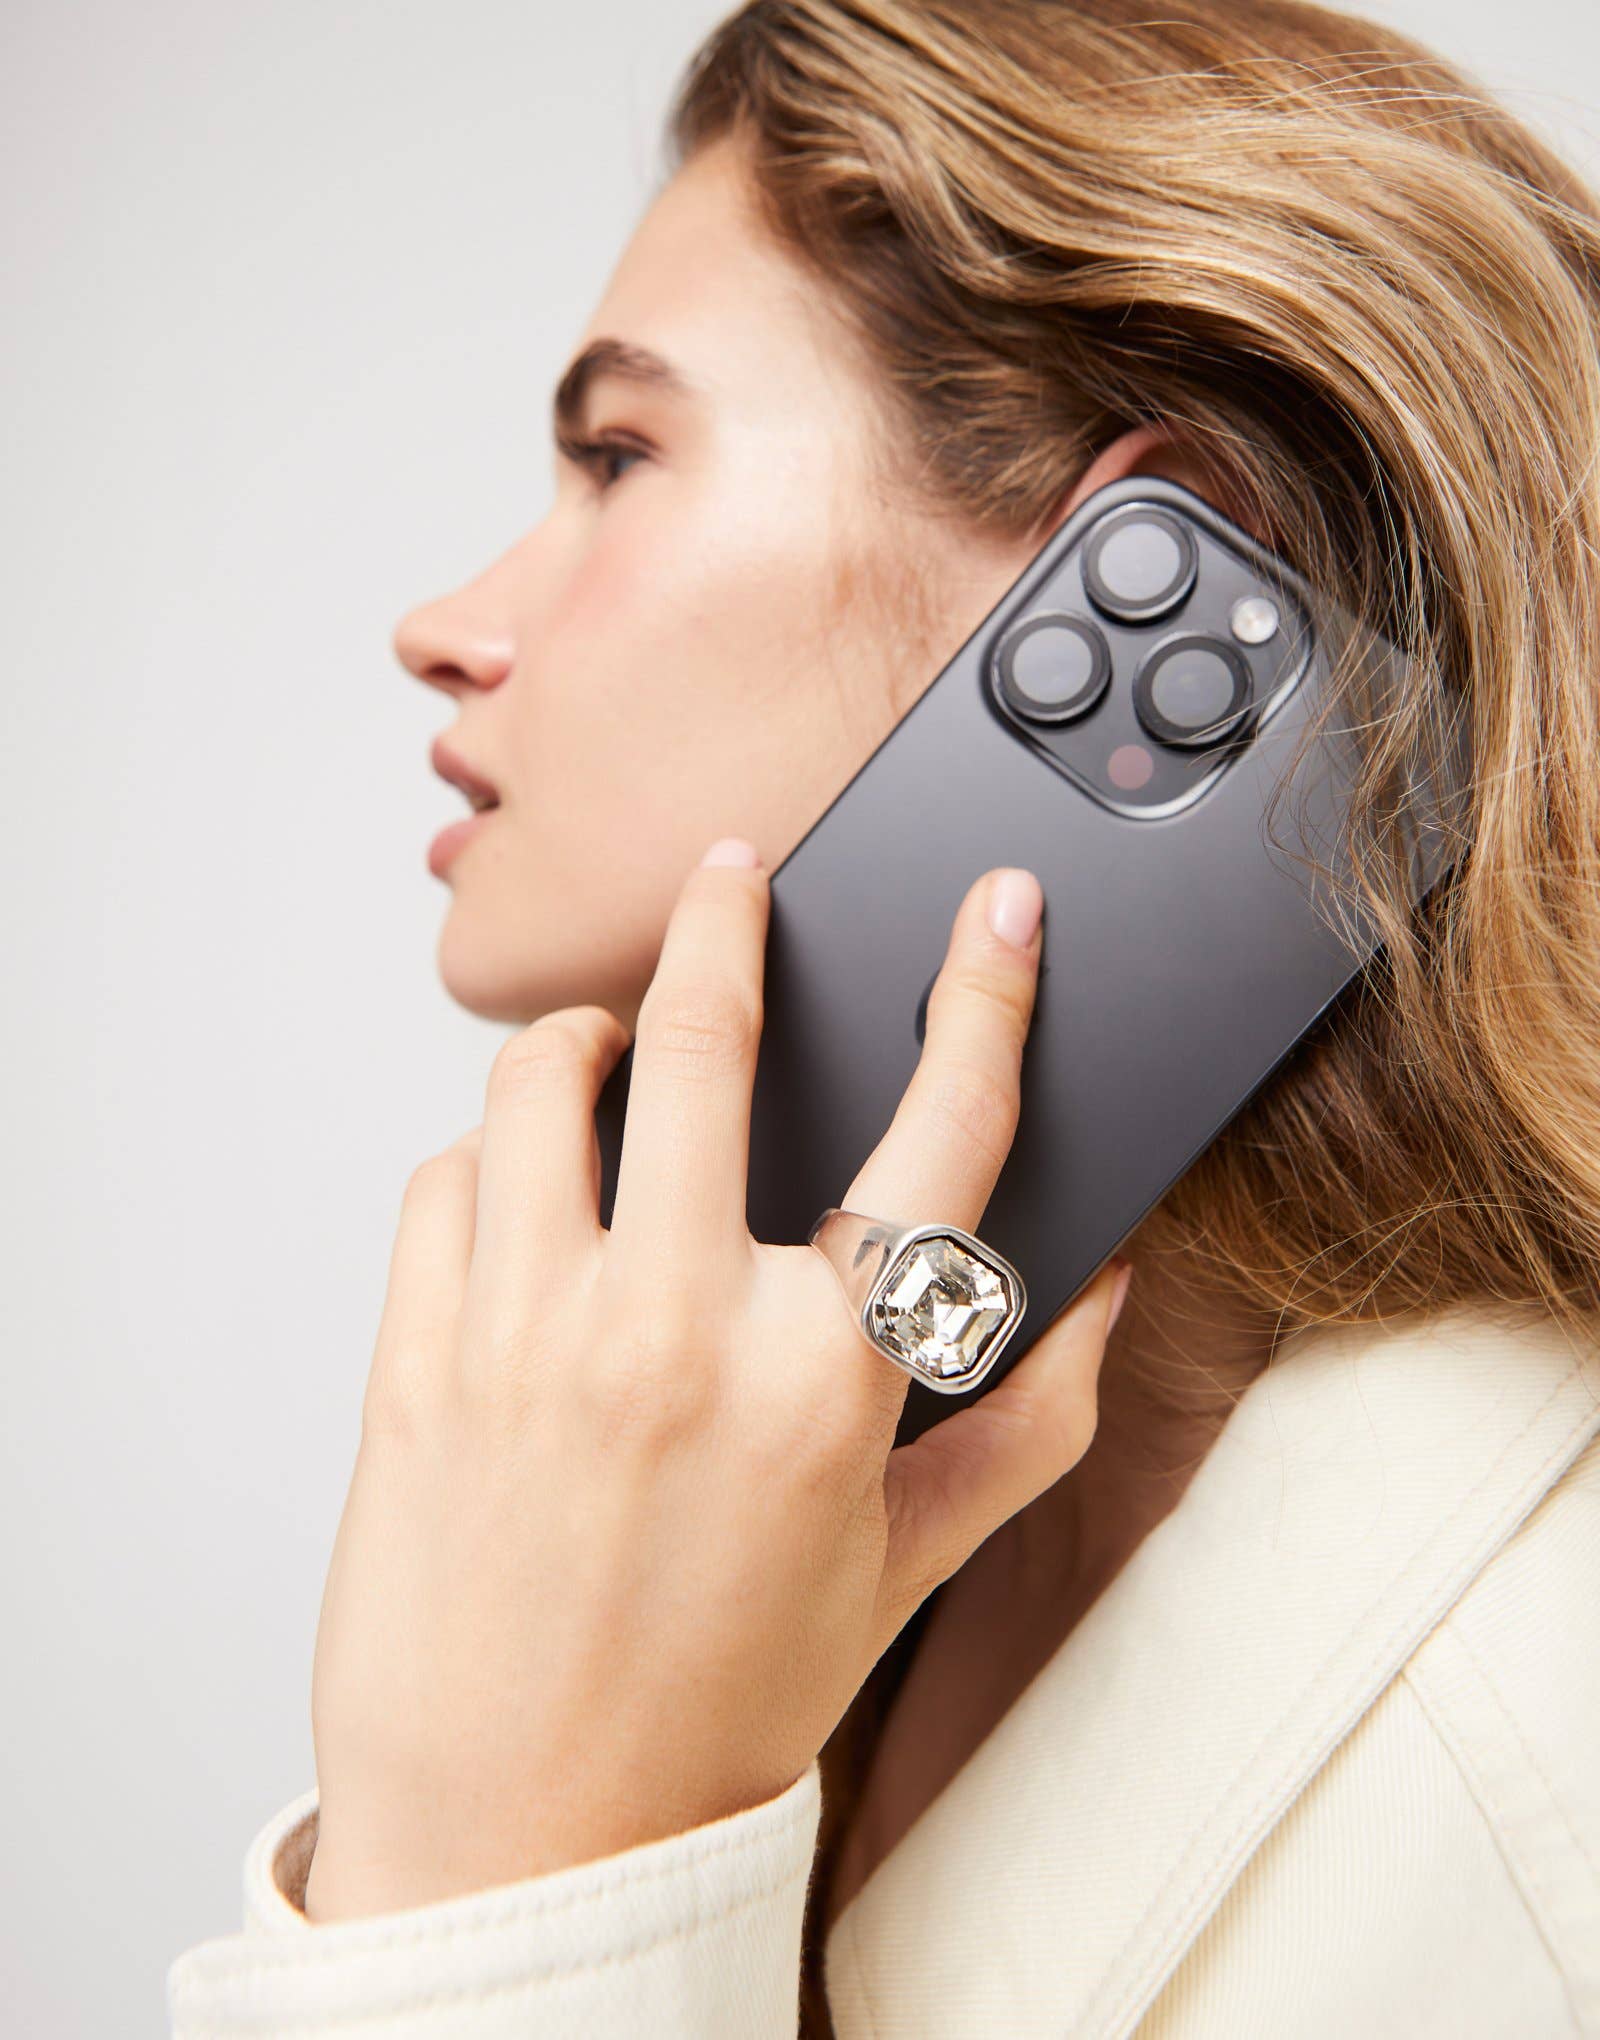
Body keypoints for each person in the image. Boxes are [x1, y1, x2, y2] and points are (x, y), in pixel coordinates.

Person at [168, 2, 1600, 2033]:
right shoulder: (792, 1520)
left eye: (617, 456)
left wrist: (496, 1883)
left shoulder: (1539, 1755)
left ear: (1161, 578)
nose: (444, 625)